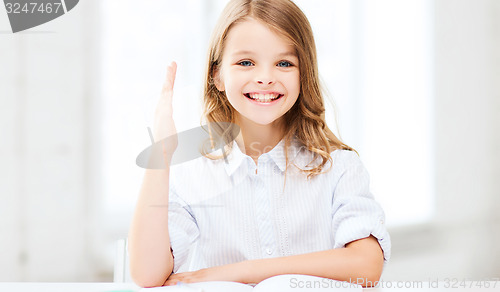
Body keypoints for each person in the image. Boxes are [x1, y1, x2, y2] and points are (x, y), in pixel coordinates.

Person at [128, 0, 391, 288]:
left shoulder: (338, 167)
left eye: (284, 63)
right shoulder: (192, 174)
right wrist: (161, 155)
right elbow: (147, 274)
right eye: (245, 63)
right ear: (217, 75)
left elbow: (366, 265)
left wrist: (244, 272)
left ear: (304, 74)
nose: (265, 78)